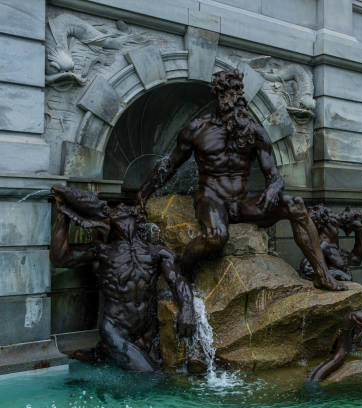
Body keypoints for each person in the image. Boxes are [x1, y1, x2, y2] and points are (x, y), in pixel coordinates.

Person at [138, 69, 344, 291]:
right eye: (230, 92)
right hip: (211, 199)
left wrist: (274, 189)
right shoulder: (197, 129)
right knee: (217, 237)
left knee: (295, 204)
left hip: (242, 204)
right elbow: (169, 165)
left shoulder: (254, 131)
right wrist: (141, 196)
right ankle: (182, 267)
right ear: (219, 97)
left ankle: (322, 275)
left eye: (239, 91)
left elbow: (274, 175)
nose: (236, 97)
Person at [50, 185, 195, 372]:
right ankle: (105, 350)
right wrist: (64, 215)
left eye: (124, 209)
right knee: (152, 377)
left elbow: (177, 280)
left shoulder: (157, 253)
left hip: (146, 334)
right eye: (116, 210)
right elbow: (60, 258)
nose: (119, 209)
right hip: (115, 330)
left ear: (139, 218)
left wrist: (188, 308)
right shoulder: (102, 251)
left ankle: (100, 354)